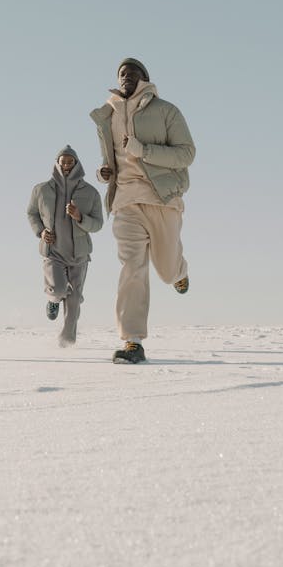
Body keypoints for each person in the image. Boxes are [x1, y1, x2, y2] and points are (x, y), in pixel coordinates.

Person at [90, 59, 195, 364]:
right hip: (125, 201)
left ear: (145, 79)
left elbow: (186, 154)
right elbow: (111, 159)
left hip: (162, 199)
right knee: (132, 268)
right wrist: (104, 173)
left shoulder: (166, 111)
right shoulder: (106, 114)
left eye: (133, 73)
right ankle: (132, 341)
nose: (126, 77)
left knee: (165, 267)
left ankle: (179, 271)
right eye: (122, 73)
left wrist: (144, 150)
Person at [27, 146, 103, 347]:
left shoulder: (91, 192)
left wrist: (80, 217)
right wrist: (41, 232)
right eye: (63, 161)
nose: (67, 165)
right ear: (57, 164)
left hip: (80, 254)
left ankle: (66, 342)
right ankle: (53, 300)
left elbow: (98, 224)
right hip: (53, 252)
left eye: (70, 162)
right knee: (60, 289)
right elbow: (32, 213)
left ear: (77, 164)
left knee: (74, 299)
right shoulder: (41, 189)